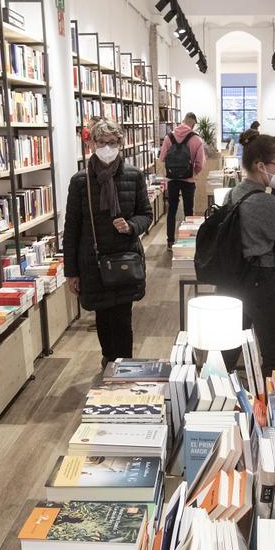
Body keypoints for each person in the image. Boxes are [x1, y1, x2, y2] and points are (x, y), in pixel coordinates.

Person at [63, 118, 153, 368]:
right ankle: (109, 362)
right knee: (103, 316)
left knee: (123, 317)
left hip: (125, 258)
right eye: (102, 142)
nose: (107, 148)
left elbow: (146, 213)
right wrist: (71, 271)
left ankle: (124, 367)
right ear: (91, 144)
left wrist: (131, 225)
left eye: (113, 143)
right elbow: (71, 228)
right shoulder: (80, 181)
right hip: (93, 262)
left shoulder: (133, 176)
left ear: (121, 144)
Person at [218, 134, 275, 377]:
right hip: (263, 282)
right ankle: (268, 408)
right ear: (260, 165)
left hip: (232, 279)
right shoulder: (269, 204)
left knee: (227, 349)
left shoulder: (231, 194)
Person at [159, 112, 206, 251]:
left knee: (172, 210)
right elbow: (200, 163)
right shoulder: (197, 139)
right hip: (188, 180)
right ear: (193, 123)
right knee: (188, 210)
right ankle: (188, 241)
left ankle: (170, 241)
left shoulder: (169, 137)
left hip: (172, 179)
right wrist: (193, 173)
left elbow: (162, 158)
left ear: (183, 120)